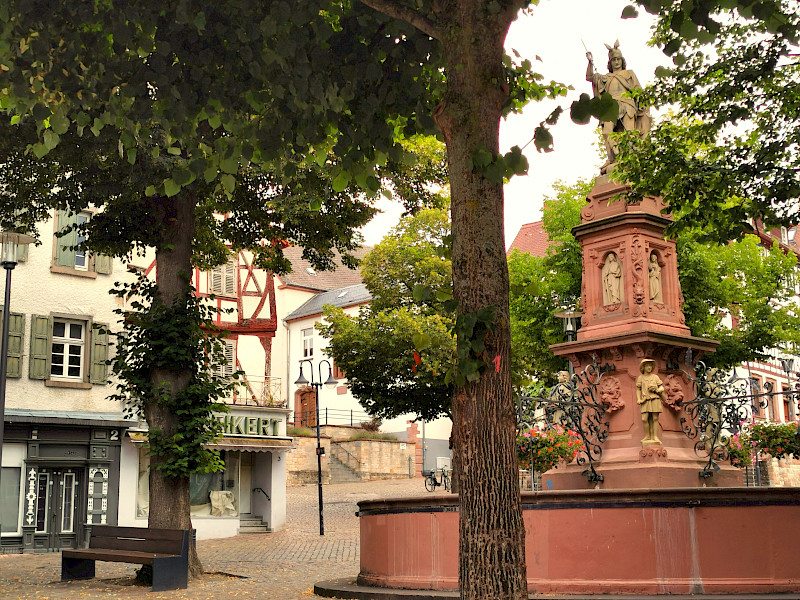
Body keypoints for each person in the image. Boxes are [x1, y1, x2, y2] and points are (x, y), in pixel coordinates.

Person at [586, 41, 651, 170]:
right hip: (611, 107)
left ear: (622, 60)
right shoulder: (605, 77)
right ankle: (614, 157)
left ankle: (631, 159)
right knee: (607, 131)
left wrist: (643, 105)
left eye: (618, 59)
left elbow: (638, 90)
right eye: (613, 60)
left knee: (630, 133)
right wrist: (590, 62)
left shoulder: (629, 73)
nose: (616, 62)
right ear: (610, 63)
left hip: (627, 105)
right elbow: (590, 77)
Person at [636, 358, 665, 444]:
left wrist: (657, 389)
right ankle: (647, 436)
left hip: (655, 399)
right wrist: (639, 399)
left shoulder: (655, 377)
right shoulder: (641, 378)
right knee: (644, 419)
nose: (649, 367)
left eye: (650, 366)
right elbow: (638, 389)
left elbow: (661, 387)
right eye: (647, 366)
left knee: (655, 418)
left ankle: (655, 436)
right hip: (645, 400)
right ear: (643, 367)